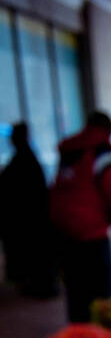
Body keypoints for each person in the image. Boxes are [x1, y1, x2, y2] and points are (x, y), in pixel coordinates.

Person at [49, 111, 111, 323]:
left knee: (76, 293)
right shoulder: (102, 155)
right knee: (102, 298)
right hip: (94, 235)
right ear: (108, 130)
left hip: (67, 235)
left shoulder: (69, 152)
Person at [0, 123, 56, 296]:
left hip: (29, 218)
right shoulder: (26, 159)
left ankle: (39, 286)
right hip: (30, 218)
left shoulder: (24, 160)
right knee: (34, 256)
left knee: (33, 256)